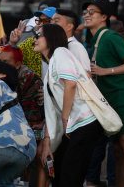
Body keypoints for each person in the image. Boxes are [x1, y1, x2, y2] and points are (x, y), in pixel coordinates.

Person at [35, 23, 103, 187]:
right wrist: (47, 144)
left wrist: (65, 119)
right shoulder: (51, 66)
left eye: (39, 35)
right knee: (60, 173)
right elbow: (51, 112)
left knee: (69, 175)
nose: (34, 39)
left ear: (51, 38)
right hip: (74, 126)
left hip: (85, 121)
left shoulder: (61, 52)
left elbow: (70, 84)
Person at [82, 0, 124, 187]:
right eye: (85, 12)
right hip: (110, 102)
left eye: (91, 12)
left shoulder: (111, 36)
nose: (86, 15)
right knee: (118, 151)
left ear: (104, 17)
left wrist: (106, 71)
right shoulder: (97, 40)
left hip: (123, 98)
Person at [0, 45, 44, 187]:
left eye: (5, 62)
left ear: (17, 64)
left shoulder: (27, 76)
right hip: (9, 125)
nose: (0, 65)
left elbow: (32, 111)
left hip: (29, 124)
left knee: (33, 160)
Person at [10, 7, 56, 78]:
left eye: (46, 21)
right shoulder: (30, 44)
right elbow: (9, 62)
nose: (41, 24)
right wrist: (13, 43)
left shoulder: (64, 46)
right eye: (39, 21)